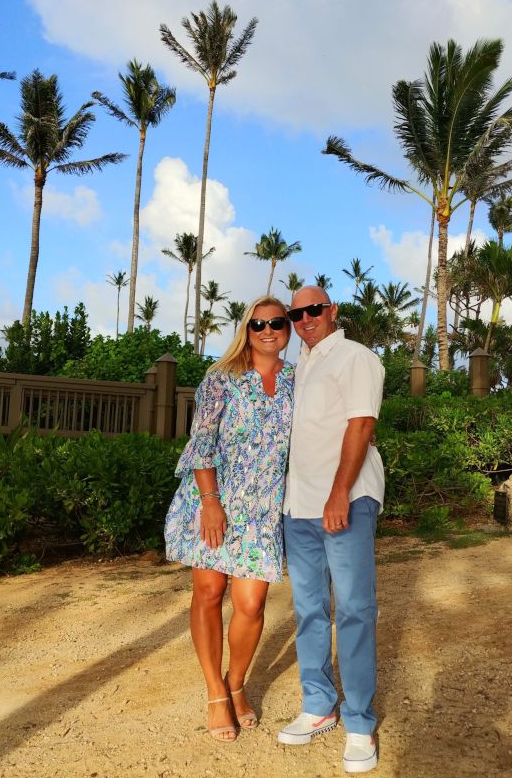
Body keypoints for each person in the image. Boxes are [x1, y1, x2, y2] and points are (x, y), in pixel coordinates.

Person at [165, 296, 294, 742]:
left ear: (288, 328)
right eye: (258, 324)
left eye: (276, 322)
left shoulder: (297, 380)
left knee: (251, 603)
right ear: (247, 329)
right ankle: (215, 691)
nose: (267, 330)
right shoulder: (221, 378)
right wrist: (211, 502)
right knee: (208, 592)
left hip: (263, 509)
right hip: (214, 499)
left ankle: (235, 682)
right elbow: (201, 442)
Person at [277, 286, 385, 774]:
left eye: (314, 309)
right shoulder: (299, 364)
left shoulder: (355, 357)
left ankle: (360, 723)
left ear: (332, 311)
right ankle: (319, 705)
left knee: (355, 610)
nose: (305, 318)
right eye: (296, 313)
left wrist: (340, 493)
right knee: (309, 609)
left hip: (344, 500)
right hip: (298, 505)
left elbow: (361, 425)